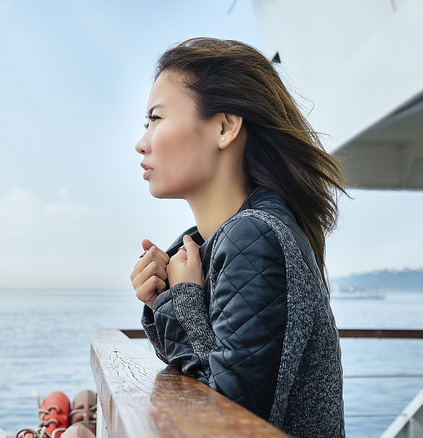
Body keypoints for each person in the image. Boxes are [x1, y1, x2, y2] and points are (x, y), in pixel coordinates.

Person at [130, 37, 346, 437]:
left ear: (225, 127)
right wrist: (164, 297)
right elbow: (205, 367)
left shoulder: (255, 236)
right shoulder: (231, 238)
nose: (141, 142)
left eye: (156, 119)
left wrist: (183, 299)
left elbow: (228, 414)